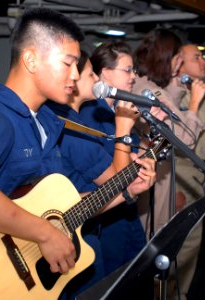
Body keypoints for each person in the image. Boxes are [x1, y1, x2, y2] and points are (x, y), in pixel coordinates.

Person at [0, 7, 155, 297]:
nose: (75, 74)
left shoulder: (45, 122)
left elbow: (64, 210)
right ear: (31, 59)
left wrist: (125, 191)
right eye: (68, 63)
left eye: (77, 66)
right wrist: (44, 232)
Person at [46, 49, 154, 298]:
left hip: (94, 219)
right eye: (91, 73)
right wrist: (123, 129)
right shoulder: (72, 127)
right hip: (84, 228)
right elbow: (117, 179)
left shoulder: (78, 121)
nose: (96, 79)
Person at [79, 42, 148, 277]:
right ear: (106, 74)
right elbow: (110, 177)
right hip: (103, 213)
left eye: (134, 70)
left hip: (126, 207)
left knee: (136, 271)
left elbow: (132, 157)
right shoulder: (88, 114)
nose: (133, 76)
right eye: (127, 70)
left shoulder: (120, 110)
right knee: (112, 277)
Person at [132, 29, 205, 238]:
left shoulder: (143, 85)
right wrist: (194, 103)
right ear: (166, 59)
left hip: (153, 172)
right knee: (154, 235)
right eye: (177, 59)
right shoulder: (151, 92)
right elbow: (187, 138)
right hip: (155, 178)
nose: (178, 65)